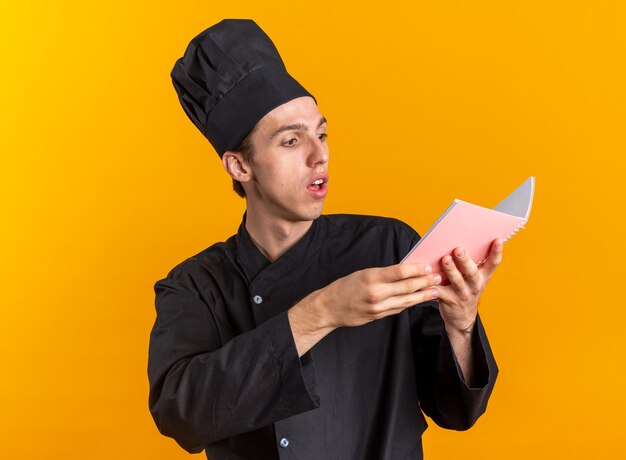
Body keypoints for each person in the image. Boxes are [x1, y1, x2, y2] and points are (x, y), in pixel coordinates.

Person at [148, 19, 500, 460]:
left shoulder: (388, 247)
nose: (320, 155)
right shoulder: (195, 287)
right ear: (240, 166)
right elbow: (181, 416)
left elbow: (456, 410)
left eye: (321, 133)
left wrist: (461, 324)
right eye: (291, 141)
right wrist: (321, 312)